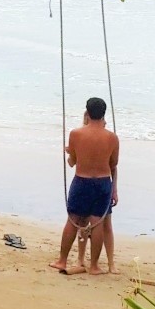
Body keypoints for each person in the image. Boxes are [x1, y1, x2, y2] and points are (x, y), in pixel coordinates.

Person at [50, 96, 118, 275]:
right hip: (103, 182)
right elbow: (113, 163)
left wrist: (70, 154)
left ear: (87, 113)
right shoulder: (112, 138)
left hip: (82, 181)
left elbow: (73, 161)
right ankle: (94, 266)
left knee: (73, 220)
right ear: (103, 115)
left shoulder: (76, 134)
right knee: (97, 223)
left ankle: (62, 260)